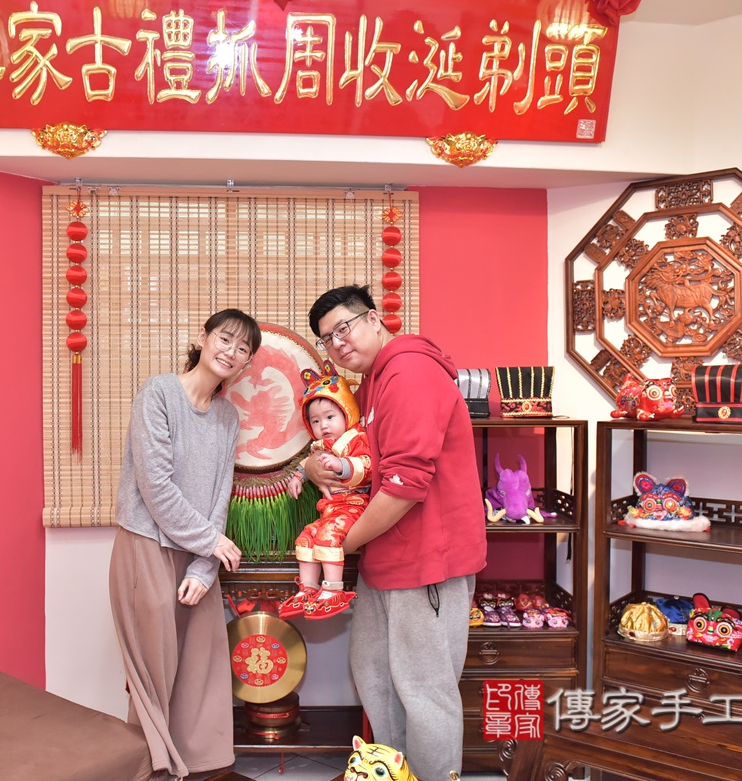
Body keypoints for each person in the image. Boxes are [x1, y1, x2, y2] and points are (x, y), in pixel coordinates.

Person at [303, 285, 487, 781]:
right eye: (327, 339)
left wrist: (341, 544)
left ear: (374, 319)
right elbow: (354, 456)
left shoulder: (410, 372)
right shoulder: (373, 382)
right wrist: (315, 466)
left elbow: (406, 486)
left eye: (344, 327)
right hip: (386, 555)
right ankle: (391, 772)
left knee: (424, 691)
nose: (338, 343)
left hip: (426, 560)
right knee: (377, 679)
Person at [108, 308, 261, 781]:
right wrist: (210, 541)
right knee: (153, 672)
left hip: (197, 555)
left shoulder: (227, 416)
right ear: (202, 337)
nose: (231, 352)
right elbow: (155, 487)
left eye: (242, 348)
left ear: (246, 363)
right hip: (147, 547)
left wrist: (203, 566)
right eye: (225, 339)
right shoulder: (158, 393)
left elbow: (220, 496)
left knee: (201, 668)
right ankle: (152, 768)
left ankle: (198, 767)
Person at [278, 360, 372, 621]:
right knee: (307, 536)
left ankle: (333, 589)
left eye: (330, 417)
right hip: (330, 510)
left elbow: (367, 465)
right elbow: (306, 464)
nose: (324, 425)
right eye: (316, 421)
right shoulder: (319, 446)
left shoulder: (355, 439)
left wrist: (342, 465)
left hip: (354, 505)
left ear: (347, 412)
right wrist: (299, 476)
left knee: (328, 535)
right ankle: (308, 589)